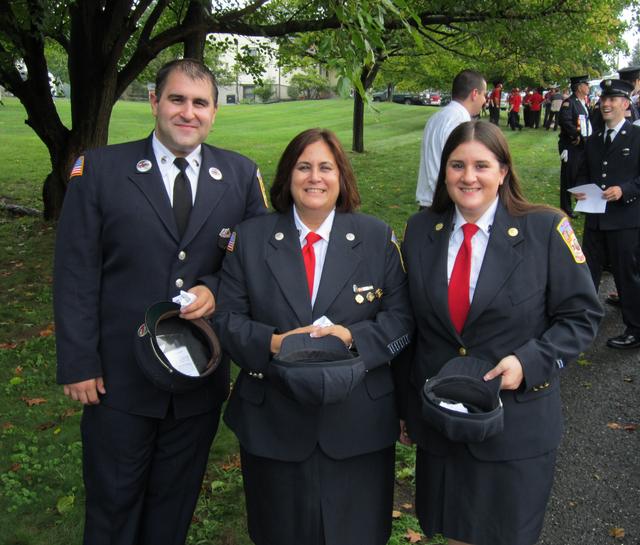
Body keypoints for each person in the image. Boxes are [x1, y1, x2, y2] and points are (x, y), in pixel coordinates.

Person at [53, 58, 268, 545]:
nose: (187, 112)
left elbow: (254, 263)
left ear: (214, 112)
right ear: (154, 102)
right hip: (117, 379)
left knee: (174, 507)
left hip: (198, 373)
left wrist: (215, 286)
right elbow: (75, 271)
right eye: (176, 99)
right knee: (113, 504)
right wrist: (78, 361)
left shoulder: (238, 175)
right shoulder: (101, 170)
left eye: (199, 103)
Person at [399, 120, 602, 545]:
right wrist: (407, 407)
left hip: (516, 423)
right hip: (444, 421)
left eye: (481, 165)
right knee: (455, 534)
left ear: (503, 171)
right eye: (457, 165)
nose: (468, 177)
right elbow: (413, 325)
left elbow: (581, 315)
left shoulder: (546, 229)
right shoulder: (421, 231)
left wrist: (529, 361)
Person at [213, 128, 413, 545]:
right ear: (288, 176)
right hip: (274, 420)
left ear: (342, 177)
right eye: (304, 167)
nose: (314, 177)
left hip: (358, 423)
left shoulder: (376, 238)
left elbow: (402, 319)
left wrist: (351, 337)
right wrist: (277, 343)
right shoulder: (249, 239)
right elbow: (227, 320)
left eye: (326, 167)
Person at [574, 79, 640, 349]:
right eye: (603, 99)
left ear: (625, 105)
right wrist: (578, 190)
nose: (606, 104)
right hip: (595, 218)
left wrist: (624, 190)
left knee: (627, 275)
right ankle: (583, 321)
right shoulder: (594, 140)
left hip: (624, 219)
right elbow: (586, 172)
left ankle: (636, 329)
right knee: (587, 272)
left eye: (612, 100)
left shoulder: (637, 138)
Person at [416, 69, 487, 208]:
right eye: (484, 94)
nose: (484, 100)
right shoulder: (460, 123)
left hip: (431, 201)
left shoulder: (437, 117)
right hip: (445, 203)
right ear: (474, 94)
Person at [558, 75, 592, 217]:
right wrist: (576, 136)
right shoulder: (569, 102)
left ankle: (581, 204)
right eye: (586, 84)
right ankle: (566, 208)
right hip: (572, 145)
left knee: (581, 175)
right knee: (568, 177)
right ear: (579, 87)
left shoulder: (582, 102)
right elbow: (564, 121)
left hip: (583, 146)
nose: (588, 87)